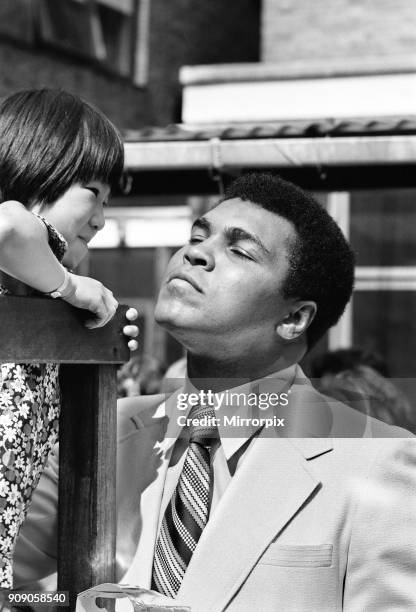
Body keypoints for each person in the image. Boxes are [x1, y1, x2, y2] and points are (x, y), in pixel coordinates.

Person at [14, 173, 416, 610]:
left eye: (239, 250)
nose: (195, 253)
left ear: (295, 318)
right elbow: (13, 582)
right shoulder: (99, 429)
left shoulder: (377, 461)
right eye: (197, 235)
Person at [0, 88, 138, 588]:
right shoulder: (27, 248)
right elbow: (11, 226)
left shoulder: (35, 295)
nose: (102, 219)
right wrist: (69, 285)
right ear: (39, 169)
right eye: (94, 193)